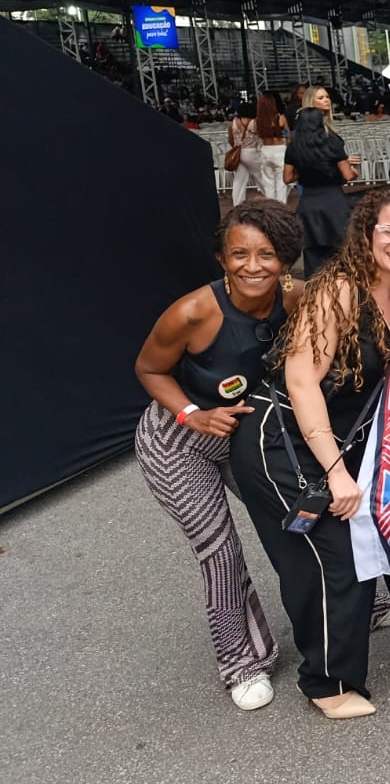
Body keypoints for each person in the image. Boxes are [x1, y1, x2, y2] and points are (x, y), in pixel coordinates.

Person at [232, 186, 390, 720]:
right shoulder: (339, 290)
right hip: (285, 442)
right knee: (333, 557)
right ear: (367, 234)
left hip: (353, 440)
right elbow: (301, 381)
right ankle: (327, 683)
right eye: (389, 231)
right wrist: (335, 473)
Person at [133, 201, 300, 710]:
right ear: (222, 258)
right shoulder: (192, 312)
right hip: (177, 442)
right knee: (220, 551)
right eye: (239, 254)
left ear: (285, 258)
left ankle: (360, 605)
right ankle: (242, 664)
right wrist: (192, 415)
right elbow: (148, 369)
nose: (253, 265)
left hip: (244, 436)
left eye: (267, 254)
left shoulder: (295, 297)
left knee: (300, 514)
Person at [283, 87, 356, 276]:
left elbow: (287, 178)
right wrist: (347, 168)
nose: (326, 101)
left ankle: (315, 291)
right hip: (334, 201)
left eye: (327, 97)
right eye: (321, 97)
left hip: (308, 202)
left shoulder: (294, 145)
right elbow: (348, 176)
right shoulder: (333, 140)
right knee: (343, 253)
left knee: (312, 256)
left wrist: (308, 166)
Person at [227, 100, 268, 205]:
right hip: (251, 152)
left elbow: (230, 139)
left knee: (239, 181)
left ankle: (237, 204)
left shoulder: (233, 123)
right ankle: (271, 197)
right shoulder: (254, 123)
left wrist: (237, 147)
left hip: (238, 152)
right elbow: (261, 137)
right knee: (261, 175)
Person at [255, 92, 289, 203]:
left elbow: (258, 135)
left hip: (266, 150)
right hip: (279, 150)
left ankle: (270, 208)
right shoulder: (281, 118)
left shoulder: (258, 121)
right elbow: (287, 135)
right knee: (281, 184)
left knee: (268, 183)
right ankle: (281, 208)